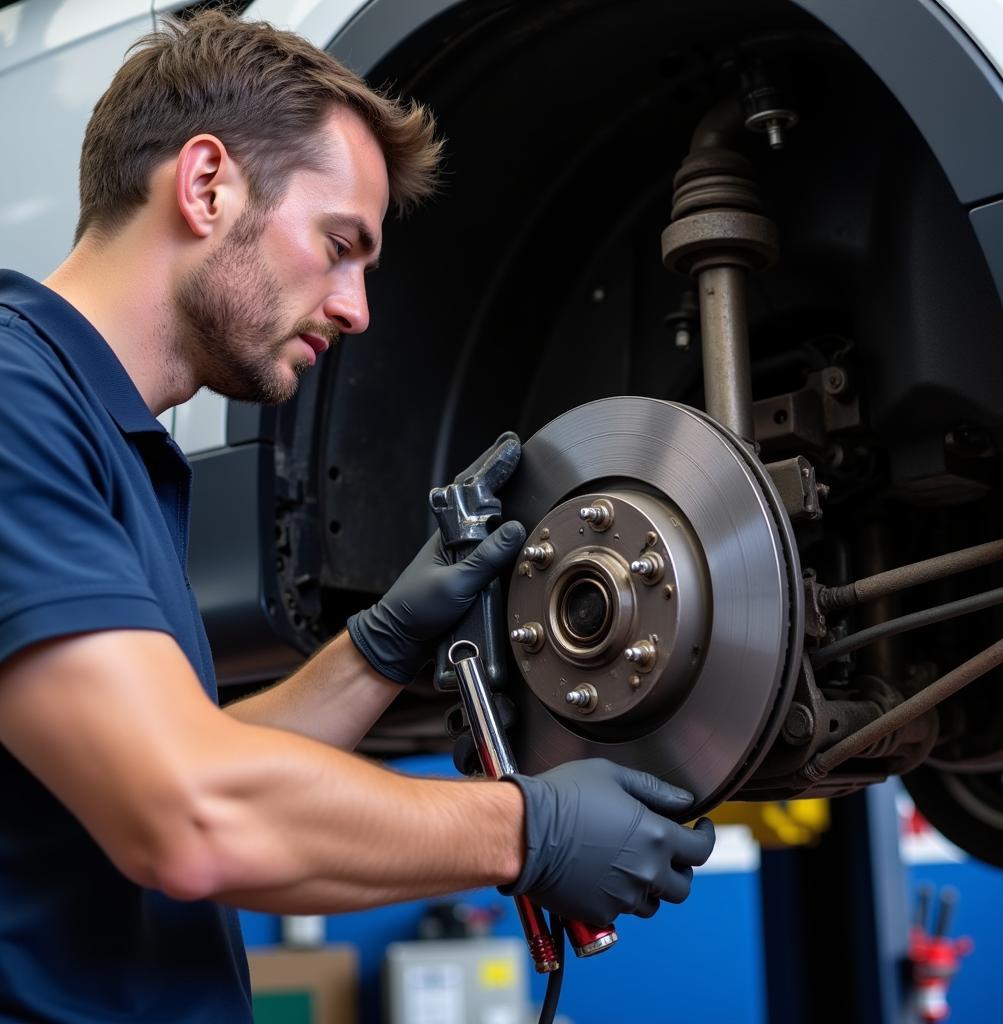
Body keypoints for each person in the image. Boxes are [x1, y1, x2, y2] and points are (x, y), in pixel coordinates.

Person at [0, 11, 715, 1021]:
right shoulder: (13, 399)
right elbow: (189, 817)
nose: (357, 307)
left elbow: (196, 760)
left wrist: (378, 648)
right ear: (207, 185)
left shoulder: (100, 435)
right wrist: (523, 829)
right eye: (339, 245)